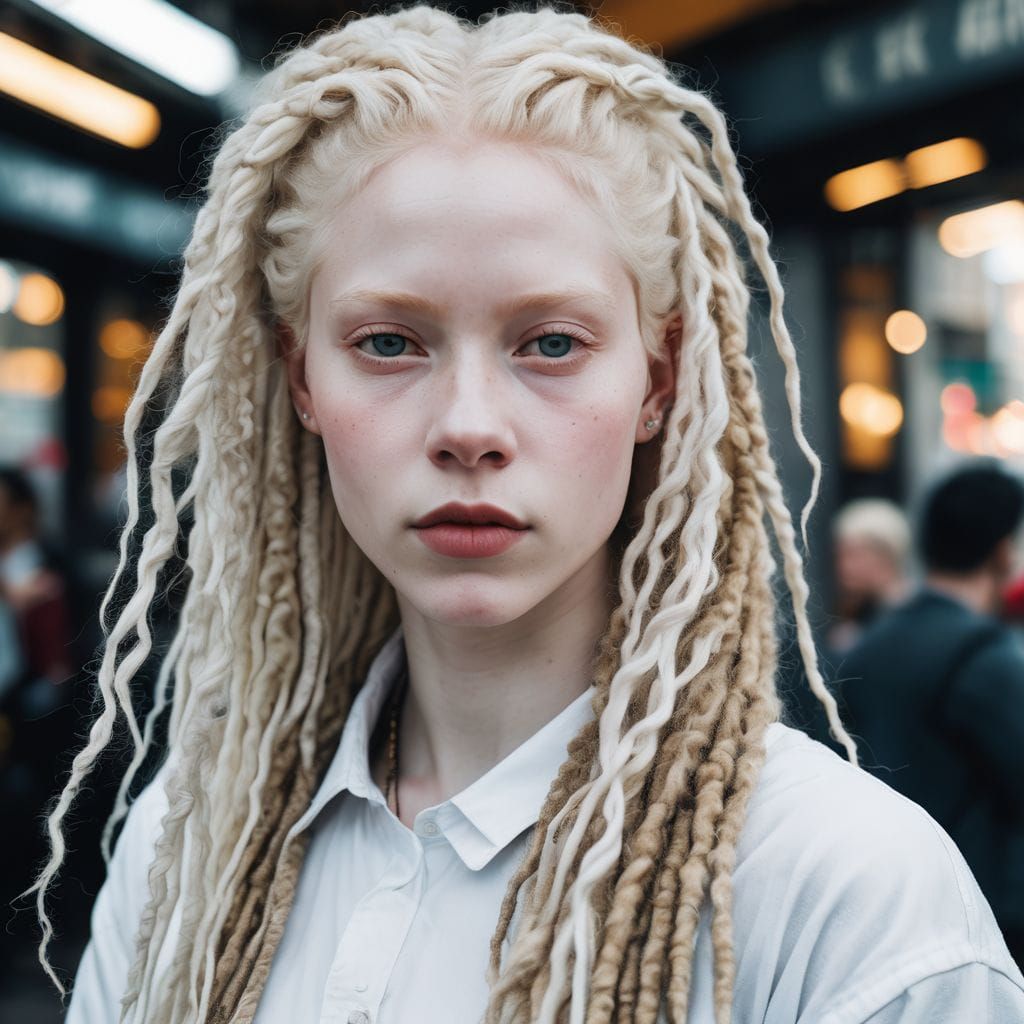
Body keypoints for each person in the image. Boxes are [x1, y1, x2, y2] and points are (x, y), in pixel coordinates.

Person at [33, 8, 1023, 1023]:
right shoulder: (186, 845)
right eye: (388, 342)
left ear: (659, 377)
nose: (469, 428)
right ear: (300, 379)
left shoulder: (854, 903)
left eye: (549, 343)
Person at [839, 461, 1024, 968]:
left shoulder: (866, 649)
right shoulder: (984, 657)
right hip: (984, 922)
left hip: (883, 913)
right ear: (1003, 551)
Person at [826, 498, 911, 656]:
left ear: (886, 556)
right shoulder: (854, 612)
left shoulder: (910, 618)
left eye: (854, 555)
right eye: (840, 556)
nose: (844, 566)